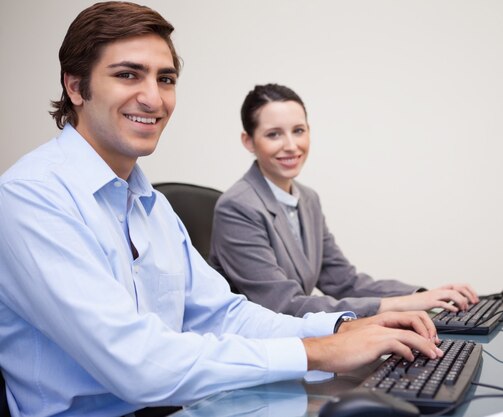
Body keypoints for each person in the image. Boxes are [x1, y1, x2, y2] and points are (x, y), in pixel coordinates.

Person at [0, 3, 443, 417]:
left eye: (166, 79)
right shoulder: (32, 197)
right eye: (129, 75)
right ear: (75, 86)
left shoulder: (149, 203)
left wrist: (342, 329)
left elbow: (223, 314)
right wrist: (318, 350)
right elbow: (137, 362)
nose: (153, 98)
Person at [209, 83, 480, 318]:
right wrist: (401, 305)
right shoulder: (238, 207)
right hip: (257, 351)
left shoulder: (308, 200)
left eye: (299, 130)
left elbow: (345, 282)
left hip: (298, 339)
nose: (291, 145)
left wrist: (425, 295)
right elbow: (283, 305)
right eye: (274, 134)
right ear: (248, 141)